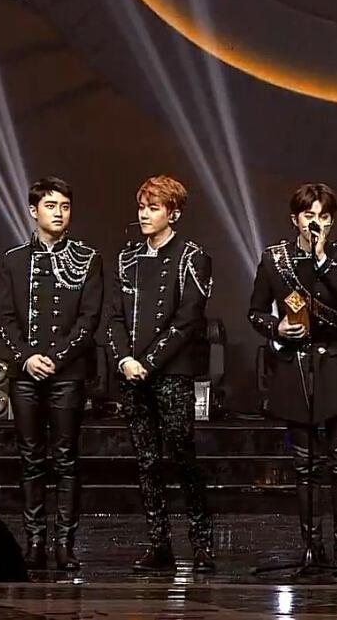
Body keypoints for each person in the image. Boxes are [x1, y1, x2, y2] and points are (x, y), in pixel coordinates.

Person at [247, 183, 337, 570]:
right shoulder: (274, 259)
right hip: (294, 366)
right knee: (304, 465)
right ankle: (311, 546)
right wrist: (277, 328)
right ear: (294, 219)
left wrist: (320, 257)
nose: (315, 222)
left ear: (331, 221)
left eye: (323, 216)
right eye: (308, 215)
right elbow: (255, 312)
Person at [105, 175, 215, 572]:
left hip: (171, 374)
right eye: (142, 207)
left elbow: (188, 320)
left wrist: (149, 362)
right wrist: (124, 360)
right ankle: (159, 544)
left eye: (153, 208)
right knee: (147, 462)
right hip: (132, 374)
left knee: (183, 457)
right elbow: (115, 317)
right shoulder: (127, 257)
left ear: (174, 213)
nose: (145, 215)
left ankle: (202, 544)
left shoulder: (192, 256)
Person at [0, 176, 103, 570]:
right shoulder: (13, 260)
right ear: (33, 210)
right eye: (51, 205)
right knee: (31, 458)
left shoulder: (88, 258)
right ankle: (35, 541)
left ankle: (64, 544)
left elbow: (89, 319)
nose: (59, 213)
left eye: (65, 206)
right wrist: (27, 356)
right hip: (25, 374)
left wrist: (55, 356)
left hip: (67, 373)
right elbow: (4, 319)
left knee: (66, 458)